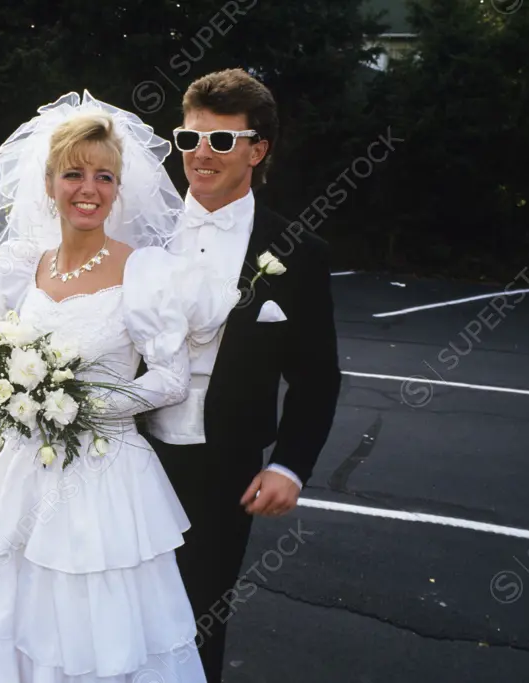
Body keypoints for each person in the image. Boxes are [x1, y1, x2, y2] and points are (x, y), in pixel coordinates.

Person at [0, 91, 232, 683]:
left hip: (102, 477)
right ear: (50, 182)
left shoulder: (145, 271)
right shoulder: (22, 266)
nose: (89, 189)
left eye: (104, 176)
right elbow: (0, 346)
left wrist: (81, 407)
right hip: (16, 472)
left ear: (118, 187)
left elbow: (171, 380)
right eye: (74, 174)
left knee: (86, 624)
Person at [141, 68, 342, 680]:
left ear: (258, 150)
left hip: (223, 464)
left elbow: (317, 376)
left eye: (222, 141)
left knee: (200, 612)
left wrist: (289, 465)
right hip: (130, 450)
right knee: (119, 603)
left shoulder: (297, 250)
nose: (201, 154)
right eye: (189, 139)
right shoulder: (142, 232)